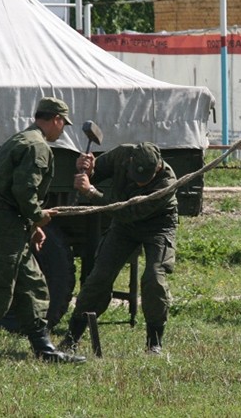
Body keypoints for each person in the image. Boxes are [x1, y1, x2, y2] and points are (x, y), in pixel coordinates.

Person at [0, 97, 86, 365]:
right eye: (63, 124)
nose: (62, 130)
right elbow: (24, 190)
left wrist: (31, 226)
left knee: (33, 286)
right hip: (6, 228)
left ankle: (43, 348)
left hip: (10, 225)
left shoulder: (20, 139)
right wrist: (38, 215)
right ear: (56, 119)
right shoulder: (37, 147)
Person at [60, 142, 178, 355]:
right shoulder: (122, 154)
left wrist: (91, 193)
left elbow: (129, 212)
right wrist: (86, 168)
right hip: (124, 226)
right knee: (99, 277)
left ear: (158, 167)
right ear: (131, 162)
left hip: (157, 226)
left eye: (146, 180)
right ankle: (72, 337)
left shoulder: (167, 182)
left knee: (154, 278)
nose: (140, 184)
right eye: (136, 178)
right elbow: (96, 173)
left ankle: (154, 343)